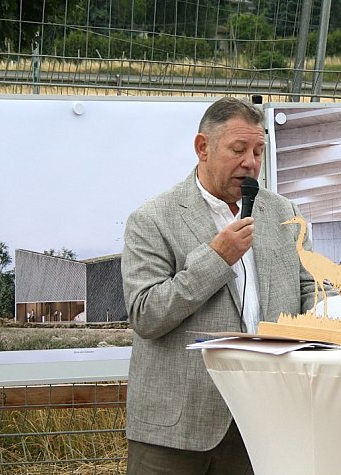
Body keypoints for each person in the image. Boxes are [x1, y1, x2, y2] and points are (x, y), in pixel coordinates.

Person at [121, 96, 321, 474]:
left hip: (260, 421)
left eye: (258, 151)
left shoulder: (283, 212)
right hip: (175, 430)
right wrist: (217, 258)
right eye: (238, 149)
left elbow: (308, 287)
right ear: (203, 148)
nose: (251, 162)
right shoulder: (152, 219)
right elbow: (146, 314)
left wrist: (333, 315)